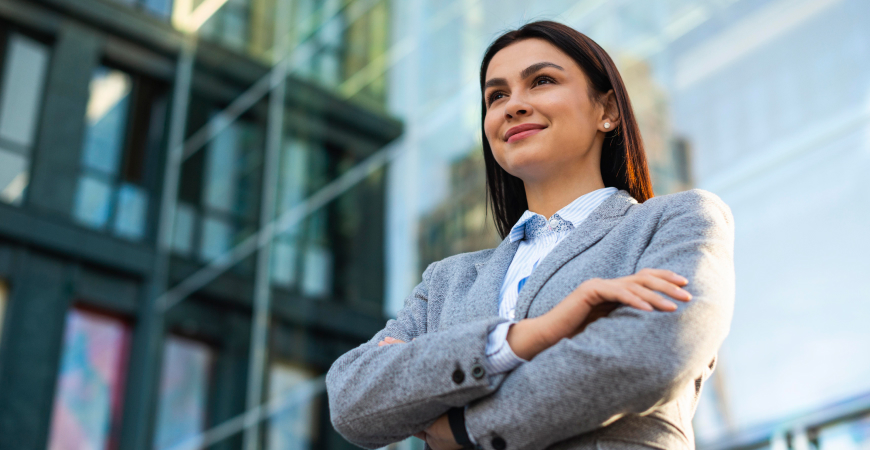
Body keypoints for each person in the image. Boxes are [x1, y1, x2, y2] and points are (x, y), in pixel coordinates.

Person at [326, 21, 734, 450]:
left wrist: (463, 428)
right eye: (496, 95)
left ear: (607, 111)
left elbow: (650, 354)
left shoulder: (677, 221)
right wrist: (518, 340)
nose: (513, 106)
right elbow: (352, 400)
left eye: (541, 81)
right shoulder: (446, 282)